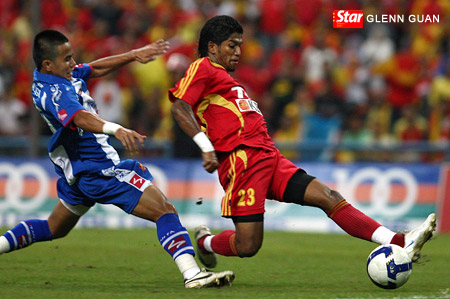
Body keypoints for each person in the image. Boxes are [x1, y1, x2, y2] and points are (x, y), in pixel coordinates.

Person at [169, 15, 436, 269]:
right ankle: (205, 242)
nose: (238, 51)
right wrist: (205, 146)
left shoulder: (229, 80)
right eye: (232, 45)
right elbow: (180, 106)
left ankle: (400, 242)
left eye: (240, 45)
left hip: (268, 157)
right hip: (242, 162)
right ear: (212, 47)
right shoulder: (203, 67)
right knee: (248, 245)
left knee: (329, 197)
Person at [0, 29, 234, 289]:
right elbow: (79, 118)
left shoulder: (58, 73)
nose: (72, 63)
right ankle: (192, 273)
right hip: (98, 170)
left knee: (54, 228)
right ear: (48, 64)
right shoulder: (53, 92)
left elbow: (94, 68)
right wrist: (116, 129)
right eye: (67, 59)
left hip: (78, 173)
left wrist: (134, 55)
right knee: (164, 210)